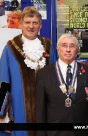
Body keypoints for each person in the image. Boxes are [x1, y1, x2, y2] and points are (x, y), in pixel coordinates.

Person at [0, 6, 55, 136]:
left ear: (40, 25)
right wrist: (3, 117)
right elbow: (3, 84)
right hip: (19, 112)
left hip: (44, 111)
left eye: (35, 23)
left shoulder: (48, 46)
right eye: (27, 22)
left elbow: (54, 81)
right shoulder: (10, 48)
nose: (31, 26)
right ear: (21, 24)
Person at [35, 33, 88, 136]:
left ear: (77, 50)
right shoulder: (44, 74)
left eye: (72, 46)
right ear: (57, 48)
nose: (68, 50)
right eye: (64, 45)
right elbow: (40, 112)